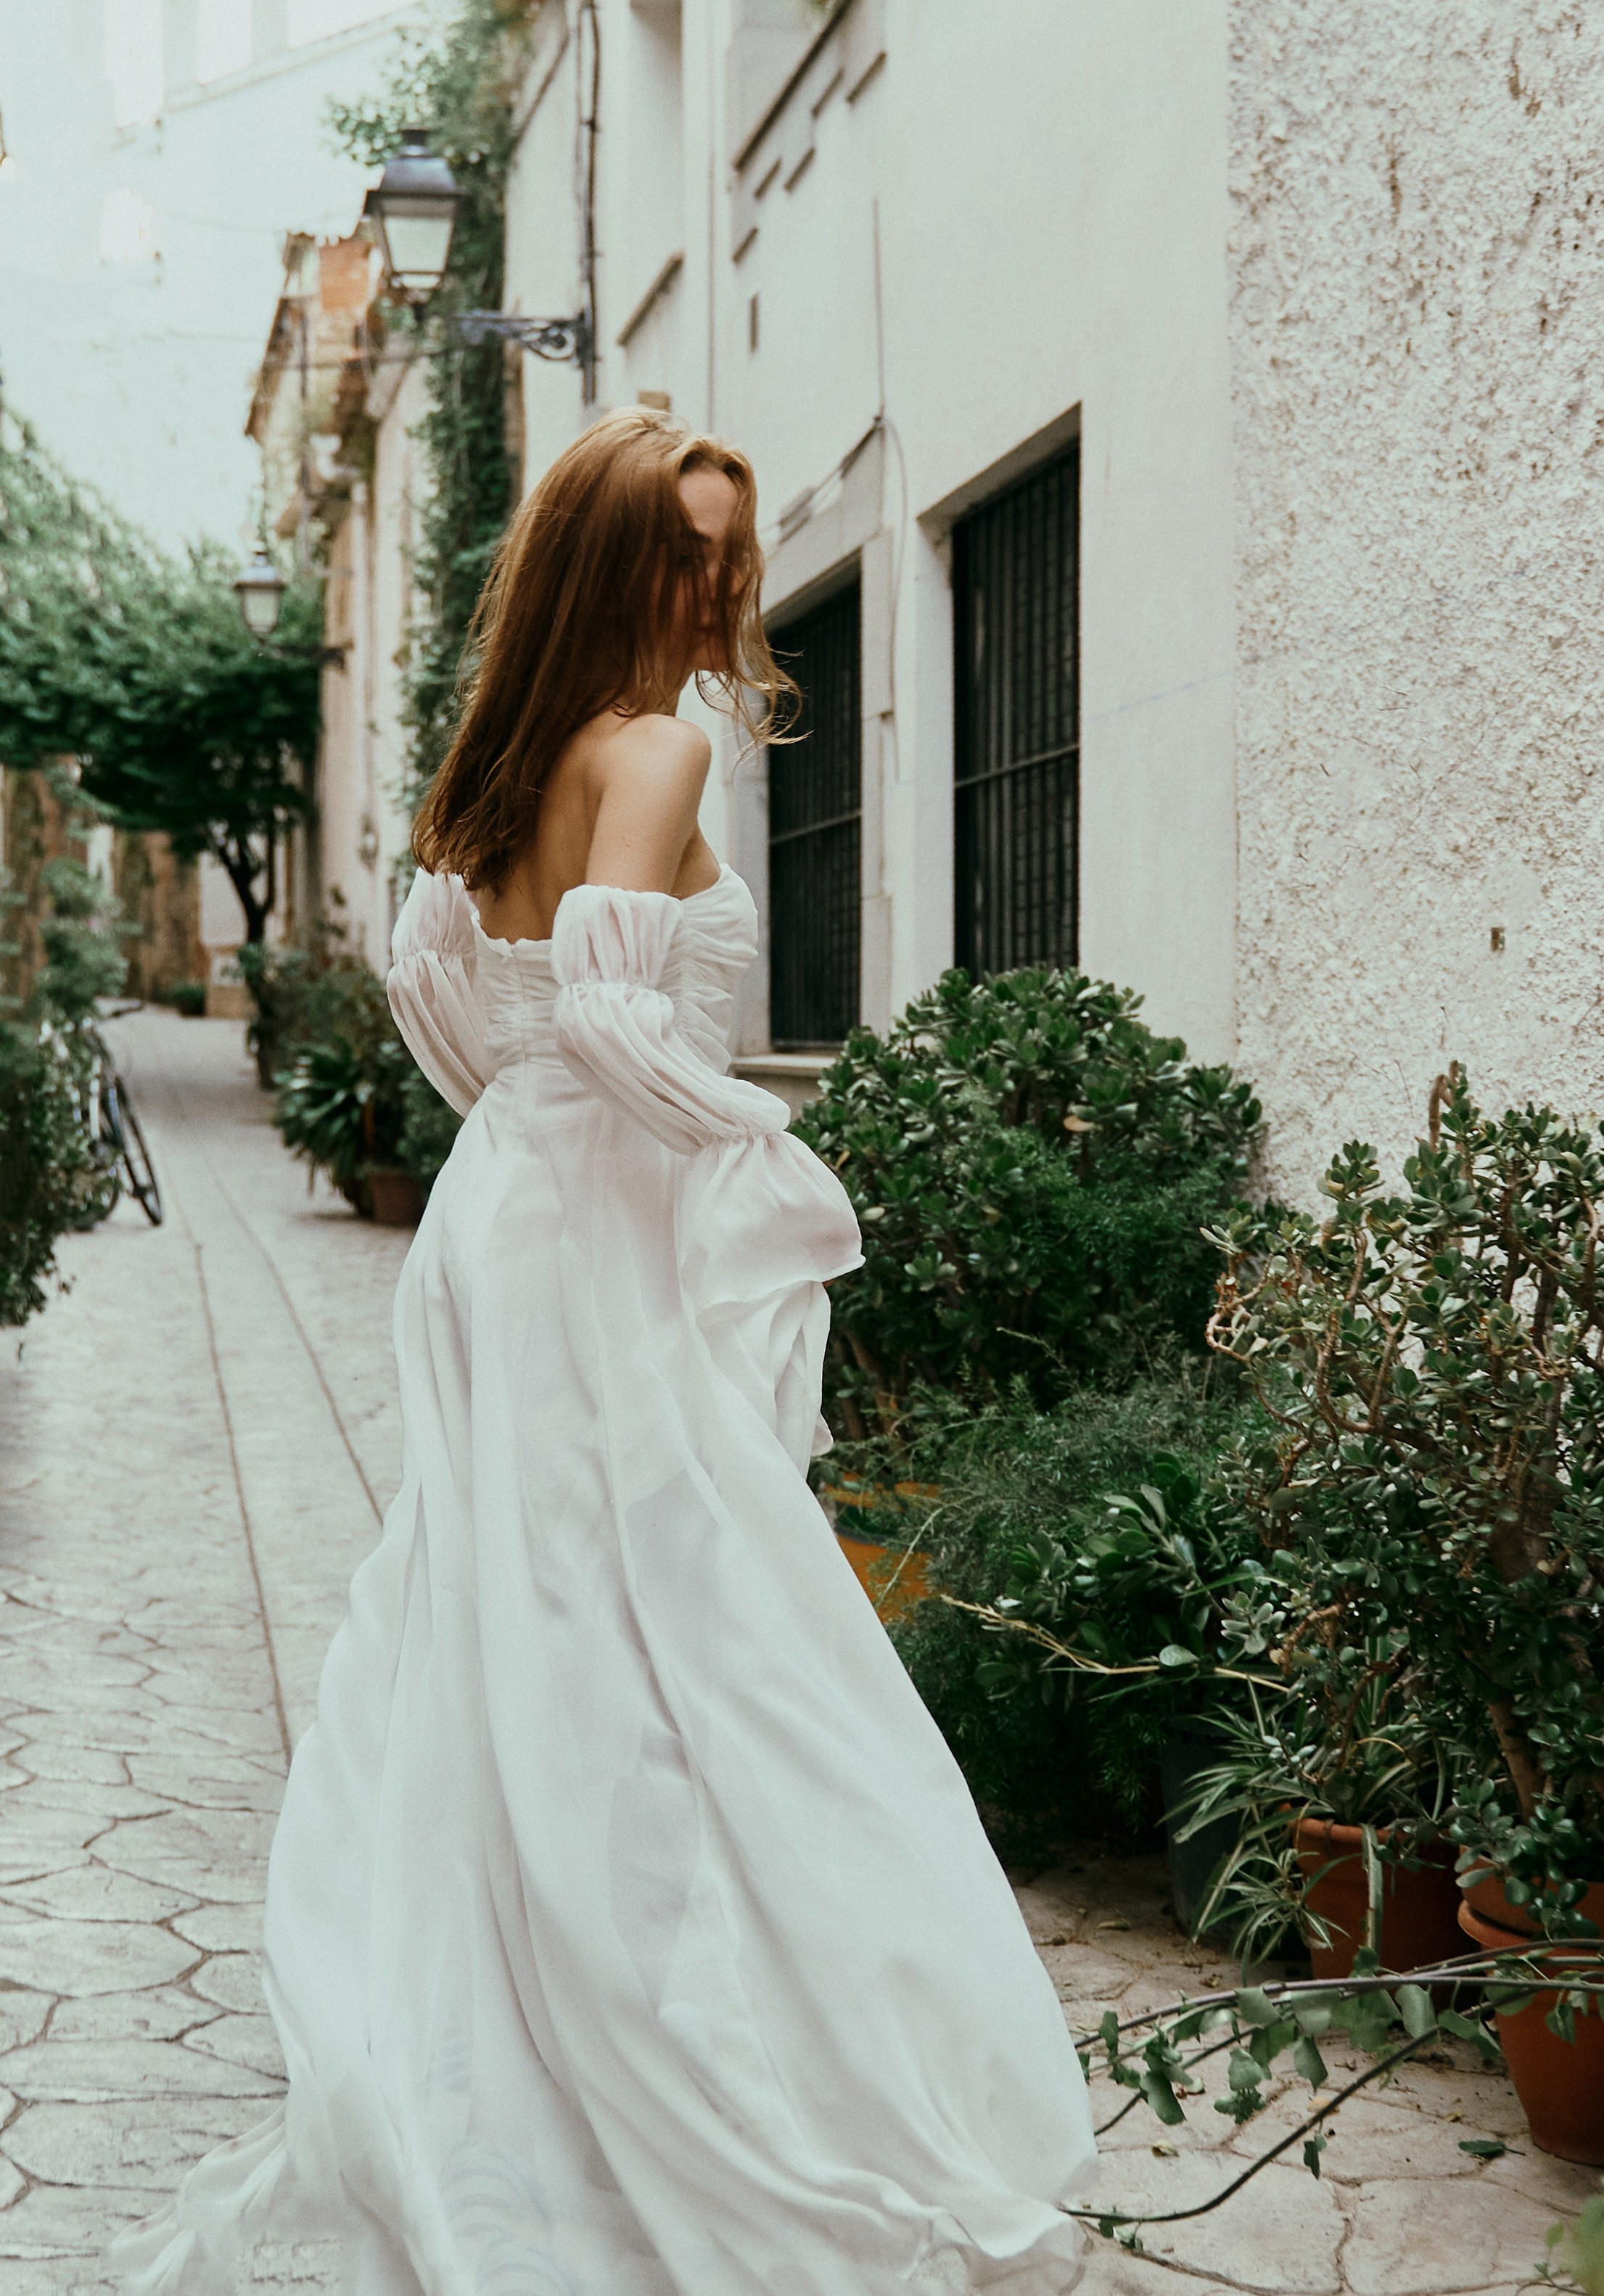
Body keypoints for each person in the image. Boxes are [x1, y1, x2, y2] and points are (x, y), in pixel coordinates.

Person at [112, 410, 1096, 2296]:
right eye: (682, 549)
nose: (719, 580)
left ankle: (544, 2082)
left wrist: (558, 1138)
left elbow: (457, 1011)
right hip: (589, 1238)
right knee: (682, 1647)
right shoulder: (654, 748)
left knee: (540, 1638)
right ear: (609, 567)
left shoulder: (503, 768)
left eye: (730, 544)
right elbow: (615, 1023)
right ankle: (678, 2089)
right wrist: (769, 1149)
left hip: (512, 1214)